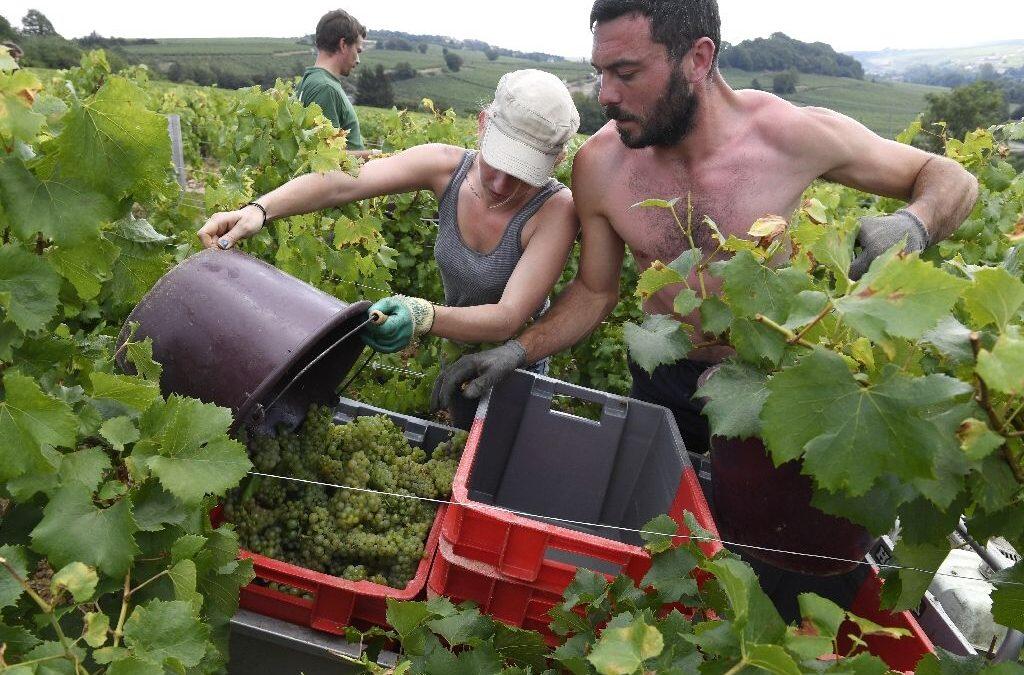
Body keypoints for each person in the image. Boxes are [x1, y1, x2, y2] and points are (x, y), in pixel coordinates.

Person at [433, 0, 978, 621]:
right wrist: (515, 348)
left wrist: (915, 222)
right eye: (600, 71)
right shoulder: (602, 165)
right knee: (661, 569)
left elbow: (950, 177)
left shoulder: (787, 134)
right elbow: (595, 292)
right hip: (665, 384)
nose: (604, 95)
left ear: (698, 58)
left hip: (771, 394)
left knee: (760, 584)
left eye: (627, 73)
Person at [198, 69, 581, 423]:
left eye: (521, 174)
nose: (500, 185)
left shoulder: (555, 211)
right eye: (496, 163)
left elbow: (508, 318)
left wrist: (423, 316)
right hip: (454, 349)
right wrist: (260, 209)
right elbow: (343, 182)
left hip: (512, 370)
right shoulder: (445, 167)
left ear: (556, 161)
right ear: (482, 125)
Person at [297, 10, 374, 157]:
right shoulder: (325, 88)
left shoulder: (309, 81)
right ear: (343, 44)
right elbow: (329, 157)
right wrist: (377, 155)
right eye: (357, 51)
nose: (358, 60)